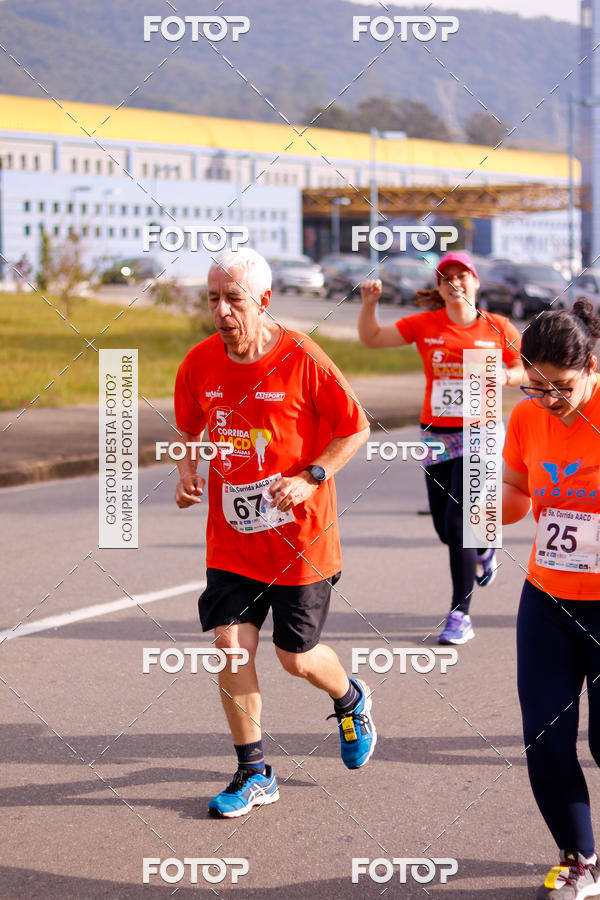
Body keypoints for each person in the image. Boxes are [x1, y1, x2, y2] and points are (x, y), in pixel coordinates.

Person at [174, 247, 375, 818]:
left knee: (296, 657)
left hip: (300, 542)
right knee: (230, 645)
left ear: (263, 301)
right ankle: (254, 771)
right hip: (233, 541)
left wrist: (312, 476)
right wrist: (189, 475)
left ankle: (349, 697)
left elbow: (353, 428)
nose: (222, 311)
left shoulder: (302, 358)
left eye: (233, 299)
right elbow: (190, 427)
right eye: (213, 299)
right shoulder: (198, 364)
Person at [359, 251, 523, 644]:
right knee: (442, 526)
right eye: (446, 278)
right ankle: (484, 547)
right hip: (436, 432)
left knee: (459, 522)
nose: (454, 283)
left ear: (476, 282)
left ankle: (459, 614)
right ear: (438, 288)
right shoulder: (426, 324)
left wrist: (503, 374)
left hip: (481, 429)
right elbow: (371, 339)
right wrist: (369, 306)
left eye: (461, 276)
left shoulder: (497, 326)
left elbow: (526, 369)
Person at [503, 300, 600, 899]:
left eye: (561, 387)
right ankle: (580, 858)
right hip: (549, 598)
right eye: (536, 388)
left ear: (592, 366)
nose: (549, 400)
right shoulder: (527, 419)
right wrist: (490, 510)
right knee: (545, 737)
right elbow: (516, 488)